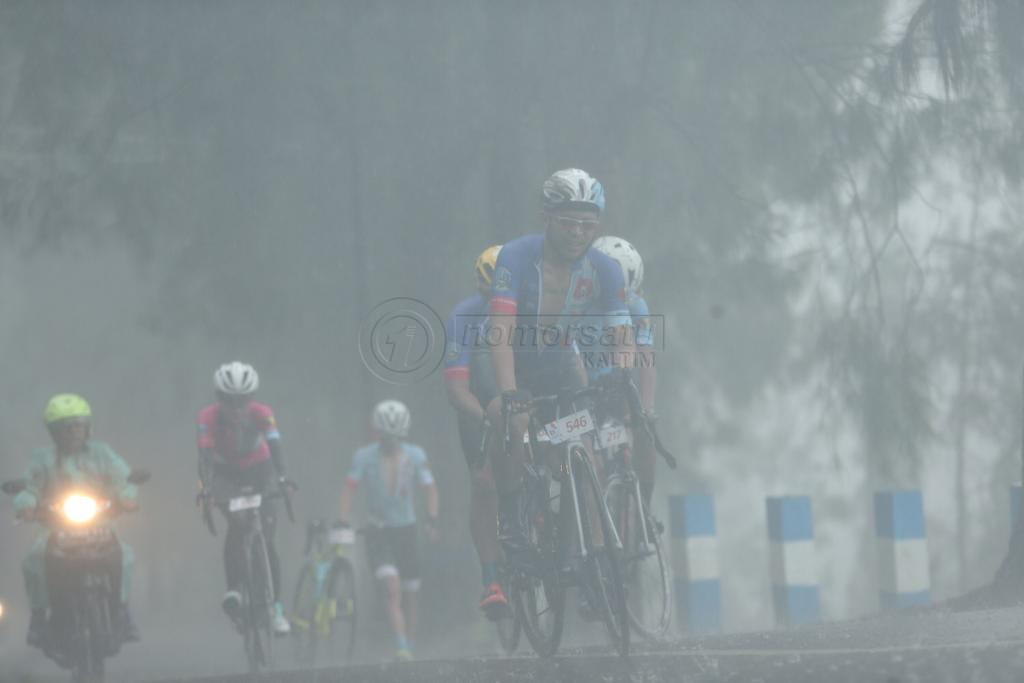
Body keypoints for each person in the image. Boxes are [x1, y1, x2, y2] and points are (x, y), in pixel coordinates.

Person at [485, 168, 632, 558]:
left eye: (588, 224)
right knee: (511, 422)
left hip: (562, 362)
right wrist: (509, 391)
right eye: (568, 222)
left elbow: (622, 334)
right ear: (545, 217)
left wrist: (620, 372)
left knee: (582, 449)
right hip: (513, 359)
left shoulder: (604, 267)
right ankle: (514, 513)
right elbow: (499, 328)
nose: (578, 233)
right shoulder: (516, 256)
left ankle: (594, 556)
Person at [15, 394, 140, 648]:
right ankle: (39, 619)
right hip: (56, 530)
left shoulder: (102, 453)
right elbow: (28, 488)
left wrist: (127, 497)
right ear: (54, 433)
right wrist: (26, 505)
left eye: (78, 425)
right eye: (66, 427)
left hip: (101, 526)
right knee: (33, 560)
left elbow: (123, 479)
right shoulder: (42, 459)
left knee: (125, 554)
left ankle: (122, 612)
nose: (74, 432)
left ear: (88, 427)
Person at [339, 400, 439, 661]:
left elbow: (429, 488)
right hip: (378, 531)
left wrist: (431, 518)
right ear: (378, 434)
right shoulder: (364, 456)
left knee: (410, 594)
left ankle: (410, 646)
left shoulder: (416, 455)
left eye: (395, 438)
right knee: (391, 587)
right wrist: (343, 519)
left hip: (406, 530)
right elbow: (350, 488)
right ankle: (401, 646)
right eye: (385, 437)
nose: (390, 442)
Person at [196, 361, 291, 635]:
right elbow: (204, 457)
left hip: (260, 470)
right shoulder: (207, 417)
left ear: (252, 398)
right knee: (236, 525)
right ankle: (235, 590)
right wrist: (207, 488)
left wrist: (282, 478)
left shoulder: (262, 413)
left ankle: (276, 609)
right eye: (229, 400)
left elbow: (275, 445)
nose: (237, 408)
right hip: (225, 473)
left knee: (267, 537)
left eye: (243, 400)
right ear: (218, 398)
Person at [443, 245, 509, 619]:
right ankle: (491, 579)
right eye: (490, 294)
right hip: (478, 405)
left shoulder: (535, 310)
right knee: (483, 481)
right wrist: (484, 417)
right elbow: (456, 388)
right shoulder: (464, 316)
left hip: (522, 402)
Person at [590, 235, 658, 506]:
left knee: (645, 430)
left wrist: (647, 408)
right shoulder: (579, 302)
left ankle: (644, 503)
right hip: (581, 384)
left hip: (615, 385)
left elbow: (647, 360)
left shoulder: (636, 306)